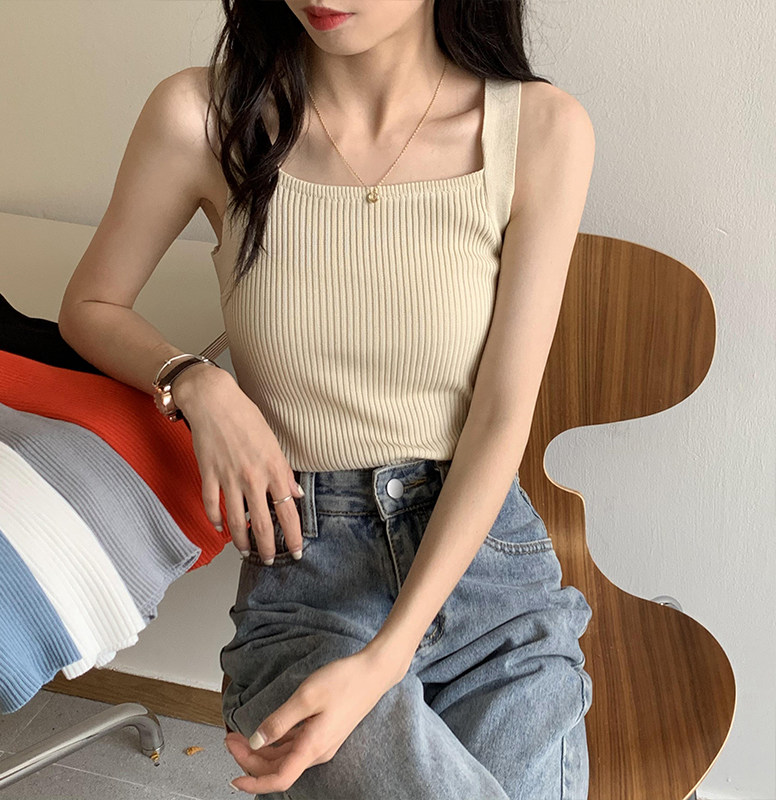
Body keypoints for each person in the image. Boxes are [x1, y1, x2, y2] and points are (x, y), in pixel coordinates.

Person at [58, 0, 596, 797]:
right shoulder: (205, 117)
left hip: (488, 581)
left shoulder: (541, 131)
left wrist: (385, 660)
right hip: (307, 583)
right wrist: (196, 382)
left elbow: (500, 417)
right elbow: (91, 306)